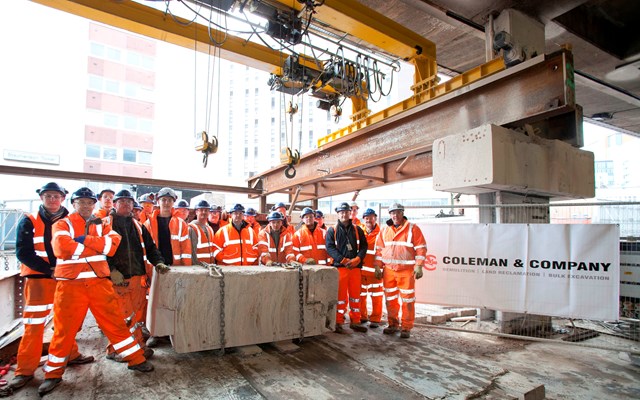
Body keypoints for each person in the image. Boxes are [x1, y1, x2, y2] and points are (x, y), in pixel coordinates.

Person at [40, 187, 153, 396]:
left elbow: (111, 246)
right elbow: (62, 248)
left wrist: (83, 241)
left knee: (116, 324)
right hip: (70, 286)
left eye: (89, 202)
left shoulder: (102, 224)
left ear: (94, 205)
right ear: (73, 204)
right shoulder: (62, 224)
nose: (85, 206)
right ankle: (53, 374)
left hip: (99, 283)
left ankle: (135, 359)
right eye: (81, 202)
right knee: (64, 331)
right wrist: (96, 245)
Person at [9, 183, 94, 392]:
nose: (53, 200)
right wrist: (49, 270)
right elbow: (23, 252)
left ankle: (71, 354)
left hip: (66, 279)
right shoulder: (29, 221)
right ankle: (24, 371)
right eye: (48, 196)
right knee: (33, 326)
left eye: (56, 196)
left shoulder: (72, 221)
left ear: (63, 198)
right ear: (42, 198)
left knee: (66, 322)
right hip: (39, 280)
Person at [104, 190, 168, 362]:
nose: (126, 204)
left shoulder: (138, 225)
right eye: (122, 201)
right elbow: (99, 251)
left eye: (129, 202)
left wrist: (159, 262)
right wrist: (111, 271)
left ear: (133, 205)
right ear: (115, 204)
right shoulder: (106, 224)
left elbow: (151, 248)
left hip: (136, 279)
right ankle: (115, 350)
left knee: (136, 318)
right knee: (121, 318)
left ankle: (138, 347)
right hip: (118, 280)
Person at [374, 203, 427, 339]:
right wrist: (378, 266)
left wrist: (419, 265)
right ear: (389, 215)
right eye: (392, 213)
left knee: (408, 300)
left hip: (406, 271)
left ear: (402, 213)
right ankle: (393, 324)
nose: (395, 215)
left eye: (398, 212)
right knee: (390, 299)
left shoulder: (412, 228)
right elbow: (379, 250)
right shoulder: (385, 230)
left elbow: (421, 247)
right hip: (389, 271)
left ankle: (406, 327)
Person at [325, 202, 368, 333]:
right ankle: (338, 322)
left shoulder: (357, 229)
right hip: (341, 268)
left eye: (346, 212)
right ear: (338, 214)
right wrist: (343, 260)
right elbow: (330, 247)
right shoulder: (332, 230)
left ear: (350, 213)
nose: (344, 214)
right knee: (340, 297)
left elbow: (364, 246)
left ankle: (356, 321)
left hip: (355, 268)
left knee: (356, 296)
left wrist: (358, 259)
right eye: (341, 212)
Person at [144, 187, 192, 267]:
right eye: (163, 200)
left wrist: (185, 269)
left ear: (173, 203)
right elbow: (145, 250)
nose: (167, 203)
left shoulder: (181, 224)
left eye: (170, 200)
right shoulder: (148, 224)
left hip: (175, 268)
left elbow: (186, 250)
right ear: (158, 202)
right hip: (154, 268)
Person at [359, 208, 383, 328]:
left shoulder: (382, 233)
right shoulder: (359, 231)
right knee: (361, 296)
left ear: (375, 218)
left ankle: (375, 319)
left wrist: (380, 268)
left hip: (375, 272)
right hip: (361, 271)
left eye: (371, 218)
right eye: (367, 218)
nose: (369, 220)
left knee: (376, 297)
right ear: (363, 219)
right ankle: (362, 317)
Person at [188, 200, 219, 265]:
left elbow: (212, 250)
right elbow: (192, 252)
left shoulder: (209, 229)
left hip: (209, 267)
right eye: (201, 210)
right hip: (198, 268)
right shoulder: (191, 229)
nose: (204, 212)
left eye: (206, 210)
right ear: (196, 212)